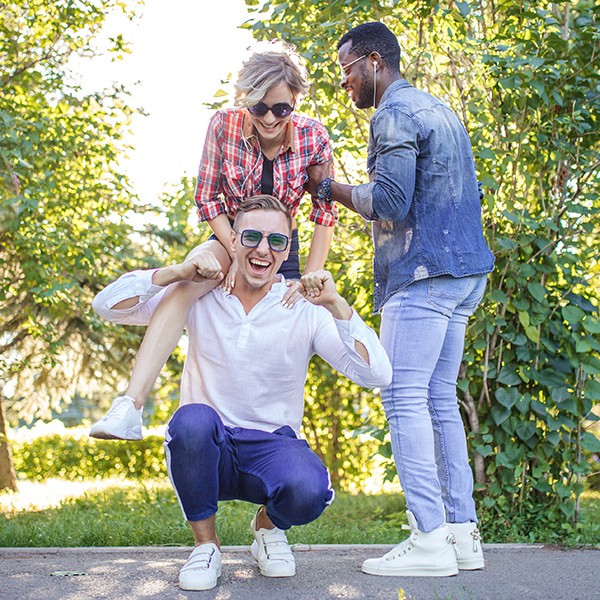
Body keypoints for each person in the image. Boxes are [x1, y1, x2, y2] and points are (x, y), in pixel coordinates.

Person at [92, 195, 392, 591]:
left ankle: (267, 527)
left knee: (309, 489)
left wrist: (336, 304)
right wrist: (174, 272)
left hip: (271, 445)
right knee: (191, 421)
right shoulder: (199, 294)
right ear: (231, 241)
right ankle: (206, 546)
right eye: (251, 236)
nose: (263, 249)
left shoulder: (302, 307)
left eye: (276, 241)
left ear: (287, 249)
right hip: (209, 444)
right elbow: (107, 306)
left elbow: (378, 375)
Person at [304, 22, 495, 577]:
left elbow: (389, 199)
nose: (344, 83)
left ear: (371, 61)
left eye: (346, 70)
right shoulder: (440, 109)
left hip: (422, 274)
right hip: (464, 276)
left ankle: (429, 540)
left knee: (402, 396)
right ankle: (461, 534)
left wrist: (328, 187)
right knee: (439, 400)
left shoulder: (392, 113)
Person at [90, 42, 337, 441]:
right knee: (189, 279)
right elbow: (207, 198)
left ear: (295, 100)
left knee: (300, 318)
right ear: (245, 101)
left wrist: (311, 276)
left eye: (281, 109)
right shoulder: (223, 125)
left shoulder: (314, 137)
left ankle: (278, 447)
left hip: (279, 247)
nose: (270, 118)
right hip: (229, 236)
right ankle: (130, 407)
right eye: (258, 108)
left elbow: (324, 213)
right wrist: (237, 253)